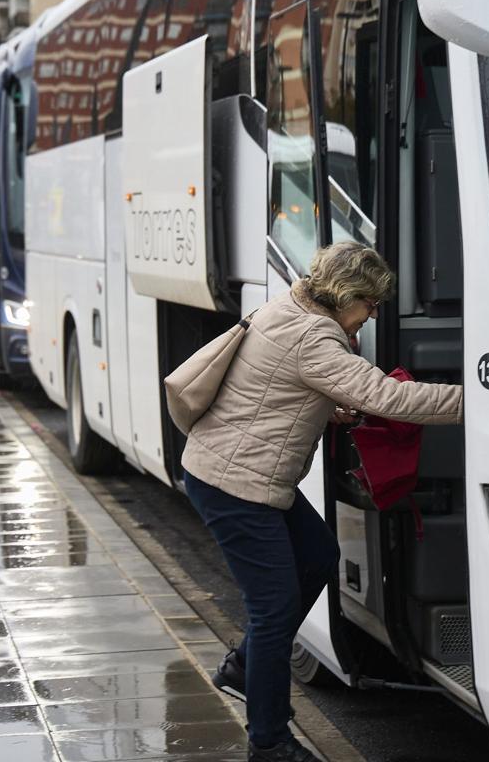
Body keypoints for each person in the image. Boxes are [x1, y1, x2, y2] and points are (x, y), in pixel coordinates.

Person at [181, 242, 462, 762]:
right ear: (347, 295)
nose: (373, 313)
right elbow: (389, 398)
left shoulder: (290, 306)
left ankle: (245, 667)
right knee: (274, 609)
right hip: (236, 483)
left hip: (242, 472)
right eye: (371, 303)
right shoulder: (316, 338)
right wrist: (478, 399)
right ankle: (269, 743)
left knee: (317, 557)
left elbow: (272, 384)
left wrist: (328, 409)